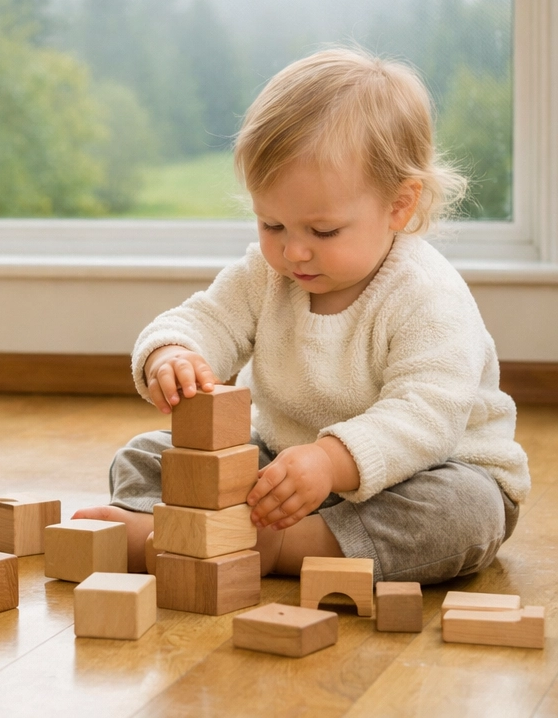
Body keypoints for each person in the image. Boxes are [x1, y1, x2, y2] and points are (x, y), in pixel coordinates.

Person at [74, 48, 529, 583]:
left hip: (421, 472)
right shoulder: (268, 275)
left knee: (465, 512)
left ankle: (275, 548)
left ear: (399, 205)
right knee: (147, 454)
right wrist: (173, 352)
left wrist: (331, 462)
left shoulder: (428, 296)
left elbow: (424, 417)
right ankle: (178, 529)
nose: (293, 253)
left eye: (323, 232)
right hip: (282, 469)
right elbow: (208, 318)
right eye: (272, 226)